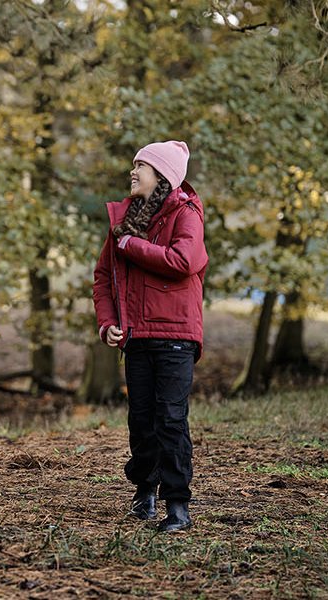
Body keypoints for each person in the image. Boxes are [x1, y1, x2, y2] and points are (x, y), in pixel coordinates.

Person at [92, 140, 207, 533]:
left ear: (162, 176)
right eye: (134, 164)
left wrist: (132, 246)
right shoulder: (123, 222)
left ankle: (178, 506)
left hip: (176, 335)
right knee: (141, 421)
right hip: (137, 336)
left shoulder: (186, 213)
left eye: (141, 165)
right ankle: (145, 491)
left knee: (171, 420)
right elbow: (104, 276)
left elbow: (184, 261)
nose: (133, 171)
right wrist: (108, 323)